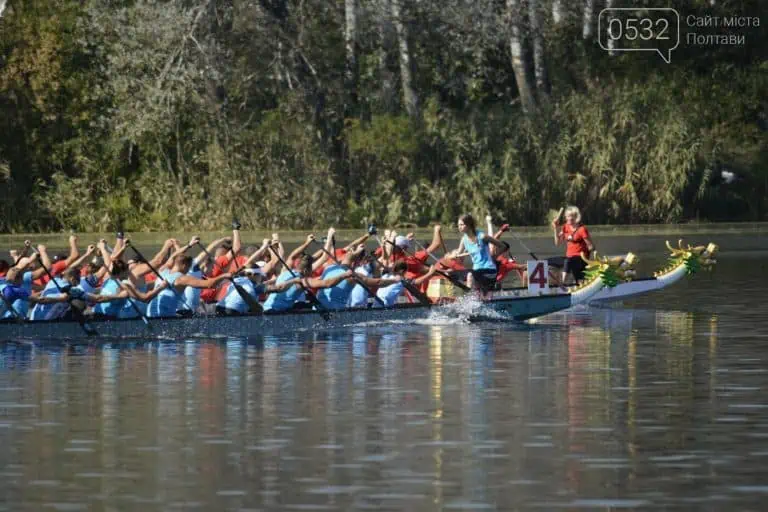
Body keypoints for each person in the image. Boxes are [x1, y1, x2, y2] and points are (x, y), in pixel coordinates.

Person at [262, 253, 355, 312]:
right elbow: (327, 284)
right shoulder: (303, 281)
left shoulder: (284, 272)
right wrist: (344, 275)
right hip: (275, 312)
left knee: (302, 305)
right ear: (307, 270)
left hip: (265, 308)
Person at [214, 266, 300, 316]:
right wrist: (294, 281)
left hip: (218, 308)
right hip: (232, 312)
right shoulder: (256, 286)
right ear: (255, 275)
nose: (261, 278)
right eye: (260, 276)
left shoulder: (237, 279)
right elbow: (279, 289)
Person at [454, 214, 506, 292]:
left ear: (469, 225)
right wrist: (453, 256)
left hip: (489, 270)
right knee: (452, 274)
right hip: (477, 271)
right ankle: (473, 295)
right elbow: (458, 256)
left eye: (462, 224)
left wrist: (494, 257)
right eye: (458, 225)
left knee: (470, 275)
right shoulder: (464, 239)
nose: (459, 227)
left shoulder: (482, 236)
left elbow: (502, 246)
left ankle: (469, 299)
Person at [551, 205, 595, 284]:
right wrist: (555, 229)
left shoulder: (582, 229)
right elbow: (557, 243)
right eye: (567, 216)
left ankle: (562, 284)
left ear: (576, 217)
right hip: (570, 257)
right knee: (555, 261)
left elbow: (590, 246)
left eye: (571, 216)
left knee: (568, 261)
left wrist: (589, 260)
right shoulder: (565, 227)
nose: (569, 218)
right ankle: (561, 285)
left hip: (581, 258)